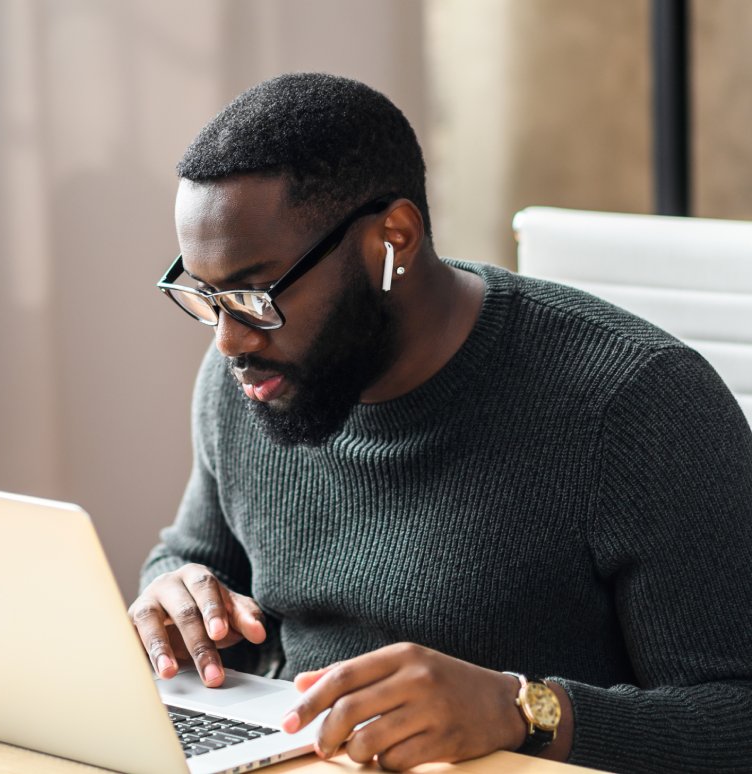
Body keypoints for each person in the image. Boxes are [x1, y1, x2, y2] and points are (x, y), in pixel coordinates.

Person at [128, 72, 752, 773]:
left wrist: (520, 711)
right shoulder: (252, 380)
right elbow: (194, 558)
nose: (229, 340)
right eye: (205, 297)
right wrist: (176, 593)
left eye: (252, 294)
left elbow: (738, 714)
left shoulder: (634, 405)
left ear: (393, 238)